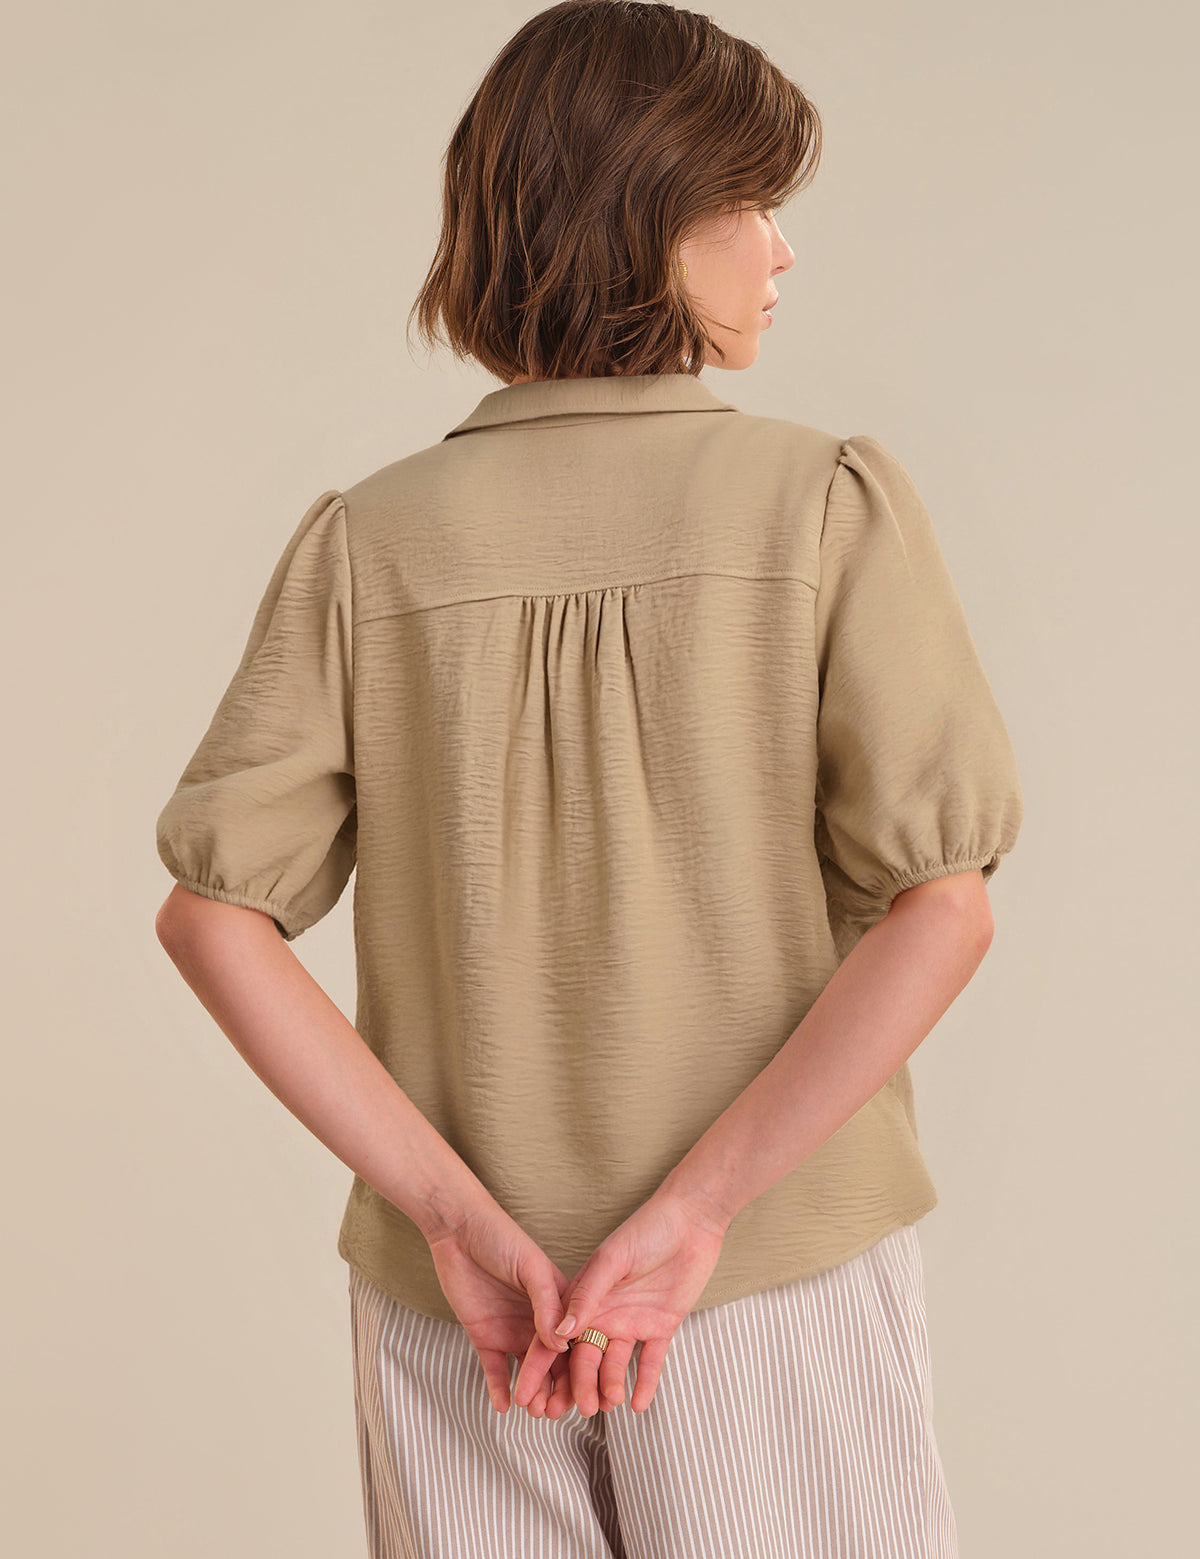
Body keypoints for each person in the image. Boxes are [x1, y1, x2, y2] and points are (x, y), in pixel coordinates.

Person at [154, 3, 1024, 1555]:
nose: (781, 251)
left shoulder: (373, 541)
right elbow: (941, 910)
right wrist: (694, 1217)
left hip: (468, 1320)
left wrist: (452, 1216)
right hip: (770, 1284)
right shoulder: (821, 506)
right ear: (652, 217)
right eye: (752, 205)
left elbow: (212, 918)